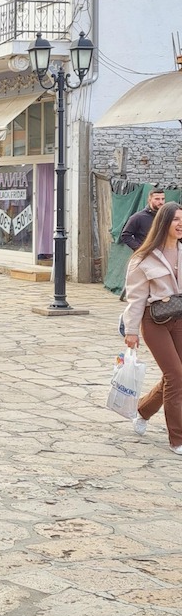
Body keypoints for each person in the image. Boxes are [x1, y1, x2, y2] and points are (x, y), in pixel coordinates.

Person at [122, 202, 182, 448]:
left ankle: (143, 411)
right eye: (176, 219)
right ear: (163, 223)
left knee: (176, 377)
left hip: (179, 318)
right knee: (176, 375)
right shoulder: (143, 258)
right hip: (154, 321)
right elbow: (135, 298)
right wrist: (131, 331)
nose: (180, 224)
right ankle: (177, 440)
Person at [119, 186, 166, 251]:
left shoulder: (167, 216)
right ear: (149, 200)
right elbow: (125, 235)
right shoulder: (138, 217)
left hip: (165, 256)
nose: (161, 202)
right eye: (157, 199)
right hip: (146, 257)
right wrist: (140, 249)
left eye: (163, 199)